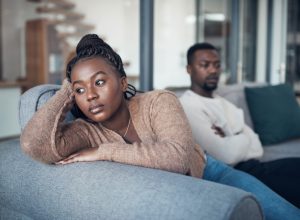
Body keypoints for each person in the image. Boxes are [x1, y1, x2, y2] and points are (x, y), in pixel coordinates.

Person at [21, 34, 300, 219]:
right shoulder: (85, 131)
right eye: (81, 90)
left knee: (283, 213)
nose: (90, 95)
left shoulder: (158, 101)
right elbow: (35, 145)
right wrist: (64, 92)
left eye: (100, 82)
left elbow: (177, 158)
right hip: (186, 193)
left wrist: (105, 152)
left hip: (210, 170)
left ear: (121, 80)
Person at [179, 42, 300, 209]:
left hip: (258, 166)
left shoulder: (225, 103)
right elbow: (225, 155)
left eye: (217, 65)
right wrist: (242, 134)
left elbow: (258, 148)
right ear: (189, 69)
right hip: (238, 174)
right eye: (204, 65)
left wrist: (232, 137)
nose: (213, 70)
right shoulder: (188, 105)